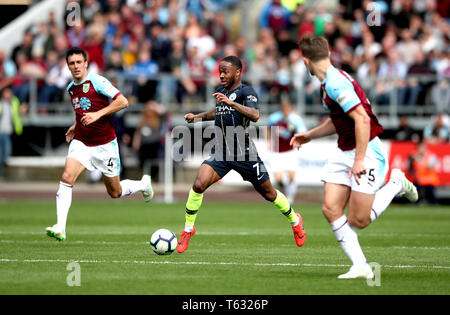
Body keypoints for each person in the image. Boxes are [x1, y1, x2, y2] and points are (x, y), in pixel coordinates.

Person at [290, 36, 418, 279]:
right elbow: (340, 120)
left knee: (359, 219)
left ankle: (396, 183)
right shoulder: (329, 81)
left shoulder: (336, 83)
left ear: (306, 60)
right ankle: (361, 266)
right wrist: (310, 135)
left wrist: (359, 159)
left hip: (366, 150)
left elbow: (362, 119)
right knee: (331, 208)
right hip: (344, 149)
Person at [176, 56, 306, 253]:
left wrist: (231, 103)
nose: (221, 75)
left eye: (225, 72)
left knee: (269, 193)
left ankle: (295, 220)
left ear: (237, 73)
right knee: (198, 184)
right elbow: (217, 111)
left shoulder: (247, 92)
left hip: (244, 153)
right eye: (220, 71)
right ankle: (188, 229)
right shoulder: (221, 92)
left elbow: (255, 115)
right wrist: (198, 117)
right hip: (221, 151)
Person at [45, 47, 154, 242]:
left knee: (115, 192)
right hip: (82, 142)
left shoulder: (98, 81)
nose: (76, 66)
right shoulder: (71, 88)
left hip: (105, 144)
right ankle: (60, 227)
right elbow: (83, 112)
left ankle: (143, 184)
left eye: (79, 62)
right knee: (67, 176)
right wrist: (75, 125)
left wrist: (98, 114)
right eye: (72, 63)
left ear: (86, 63)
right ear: (68, 66)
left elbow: (123, 101)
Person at [267, 99, 306, 204]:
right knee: (278, 179)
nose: (286, 111)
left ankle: (290, 197)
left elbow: (302, 132)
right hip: (276, 152)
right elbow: (268, 128)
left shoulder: (296, 119)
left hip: (290, 151)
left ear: (290, 109)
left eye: (287, 109)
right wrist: (268, 141)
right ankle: (284, 192)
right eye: (284, 109)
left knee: (292, 176)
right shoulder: (274, 118)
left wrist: (299, 142)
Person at [0, 87, 23, 178]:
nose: (9, 95)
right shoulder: (1, 103)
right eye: (7, 93)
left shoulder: (14, 103)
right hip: (1, 132)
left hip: (8, 132)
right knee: (2, 154)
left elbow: (16, 114)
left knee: (6, 153)